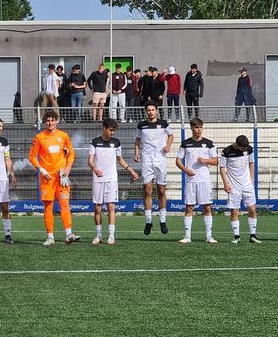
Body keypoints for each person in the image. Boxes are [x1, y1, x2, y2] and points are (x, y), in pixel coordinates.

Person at [29, 110, 80, 245]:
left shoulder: (63, 136)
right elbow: (32, 157)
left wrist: (67, 169)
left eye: (52, 120)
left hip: (61, 177)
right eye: (48, 120)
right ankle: (50, 237)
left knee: (64, 204)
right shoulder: (39, 137)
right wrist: (41, 169)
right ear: (44, 122)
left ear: (57, 121)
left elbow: (71, 154)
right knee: (48, 207)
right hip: (47, 178)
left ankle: (69, 234)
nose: (50, 123)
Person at [88, 118, 139, 245]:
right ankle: (98, 235)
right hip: (98, 179)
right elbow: (90, 160)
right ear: (104, 128)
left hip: (112, 179)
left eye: (114, 131)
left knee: (111, 206)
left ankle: (111, 235)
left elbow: (120, 159)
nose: (112, 133)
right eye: (111, 130)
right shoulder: (94, 142)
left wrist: (130, 170)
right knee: (98, 207)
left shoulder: (116, 143)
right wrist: (95, 168)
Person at [175, 118, 218, 244]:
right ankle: (187, 236)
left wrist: (205, 160)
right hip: (191, 180)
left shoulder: (209, 143)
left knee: (207, 207)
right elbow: (178, 161)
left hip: (204, 180)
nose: (198, 130)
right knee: (189, 207)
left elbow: (215, 161)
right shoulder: (185, 143)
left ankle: (209, 236)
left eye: (200, 127)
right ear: (192, 128)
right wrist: (185, 169)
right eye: (196, 127)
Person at [134, 101, 174, 235]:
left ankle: (163, 221)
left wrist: (168, 146)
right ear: (146, 111)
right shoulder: (141, 125)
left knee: (161, 190)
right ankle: (148, 221)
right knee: (147, 190)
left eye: (153, 110)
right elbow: (138, 140)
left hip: (160, 160)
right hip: (147, 160)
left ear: (156, 111)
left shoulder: (164, 124)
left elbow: (171, 135)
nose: (151, 112)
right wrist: (136, 153)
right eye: (148, 110)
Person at [219, 135, 260, 243]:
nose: (244, 150)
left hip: (247, 185)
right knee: (235, 211)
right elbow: (222, 168)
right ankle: (236, 237)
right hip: (234, 186)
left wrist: (252, 180)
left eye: (246, 148)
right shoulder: (226, 151)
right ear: (237, 145)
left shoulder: (249, 149)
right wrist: (225, 183)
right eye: (243, 148)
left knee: (252, 209)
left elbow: (251, 163)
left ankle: (253, 236)